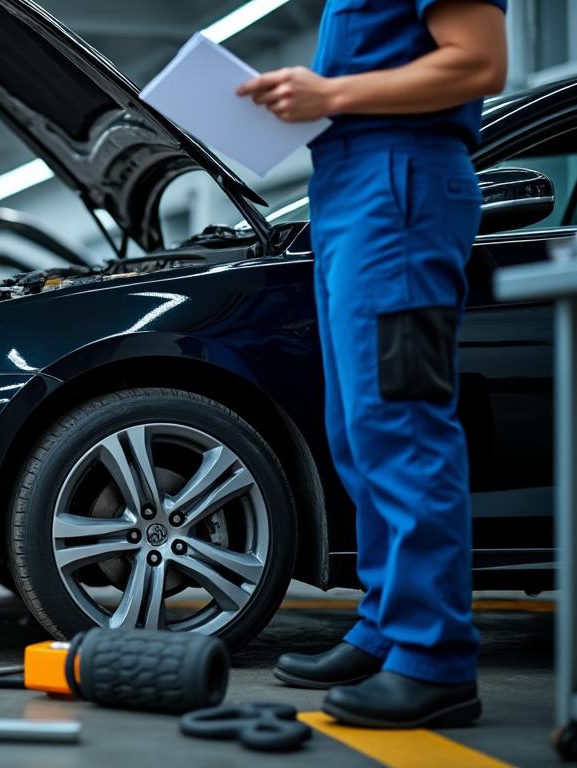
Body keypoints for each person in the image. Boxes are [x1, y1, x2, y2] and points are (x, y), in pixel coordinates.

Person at [237, 0, 507, 728]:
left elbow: (480, 61)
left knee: (403, 420)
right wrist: (306, 100)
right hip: (353, 187)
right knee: (358, 430)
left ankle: (436, 659)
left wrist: (332, 94)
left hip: (402, 191)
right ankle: (389, 625)